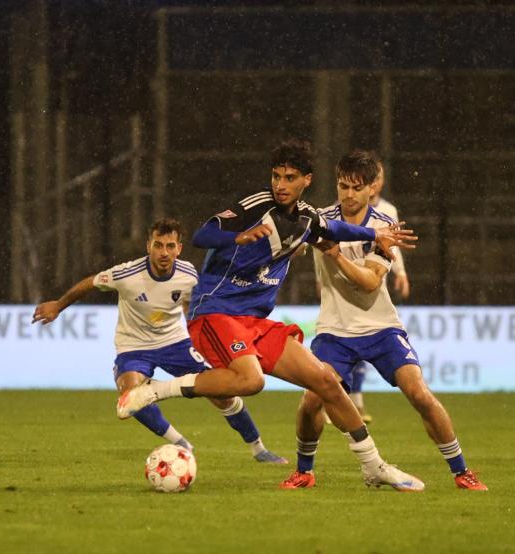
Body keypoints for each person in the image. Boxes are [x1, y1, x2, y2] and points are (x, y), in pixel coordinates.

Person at [118, 139, 426, 491]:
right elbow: (204, 235)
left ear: (306, 180)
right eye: (277, 176)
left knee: (327, 381)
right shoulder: (257, 205)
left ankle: (374, 466)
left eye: (290, 177)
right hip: (217, 310)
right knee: (251, 381)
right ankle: (155, 390)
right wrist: (239, 237)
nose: (280, 184)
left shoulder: (310, 219)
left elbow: (336, 230)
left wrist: (374, 232)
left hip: (256, 321)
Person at [280, 150, 487, 491]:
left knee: (419, 393)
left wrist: (333, 254)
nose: (348, 194)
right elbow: (293, 239)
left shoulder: (383, 228)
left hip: (381, 328)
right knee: (310, 402)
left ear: (372, 189)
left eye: (356, 187)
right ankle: (304, 471)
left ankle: (461, 471)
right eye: (342, 185)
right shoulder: (320, 219)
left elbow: (370, 281)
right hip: (334, 331)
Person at [32, 218, 287, 463]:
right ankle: (181, 444)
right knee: (130, 394)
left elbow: (194, 305)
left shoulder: (189, 275)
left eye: (170, 246)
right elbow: (91, 283)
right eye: (158, 245)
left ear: (179, 249)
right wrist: (58, 305)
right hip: (134, 347)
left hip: (175, 343)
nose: (164, 252)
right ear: (148, 246)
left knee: (221, 391)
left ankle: (258, 449)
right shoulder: (127, 274)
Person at [346, 153, 410, 424]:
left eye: (380, 177)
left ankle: (351, 403)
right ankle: (345, 403)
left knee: (363, 349)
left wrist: (400, 271)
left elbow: (392, 244)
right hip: (345, 286)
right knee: (342, 350)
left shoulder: (388, 212)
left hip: (373, 282)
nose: (378, 182)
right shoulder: (336, 212)